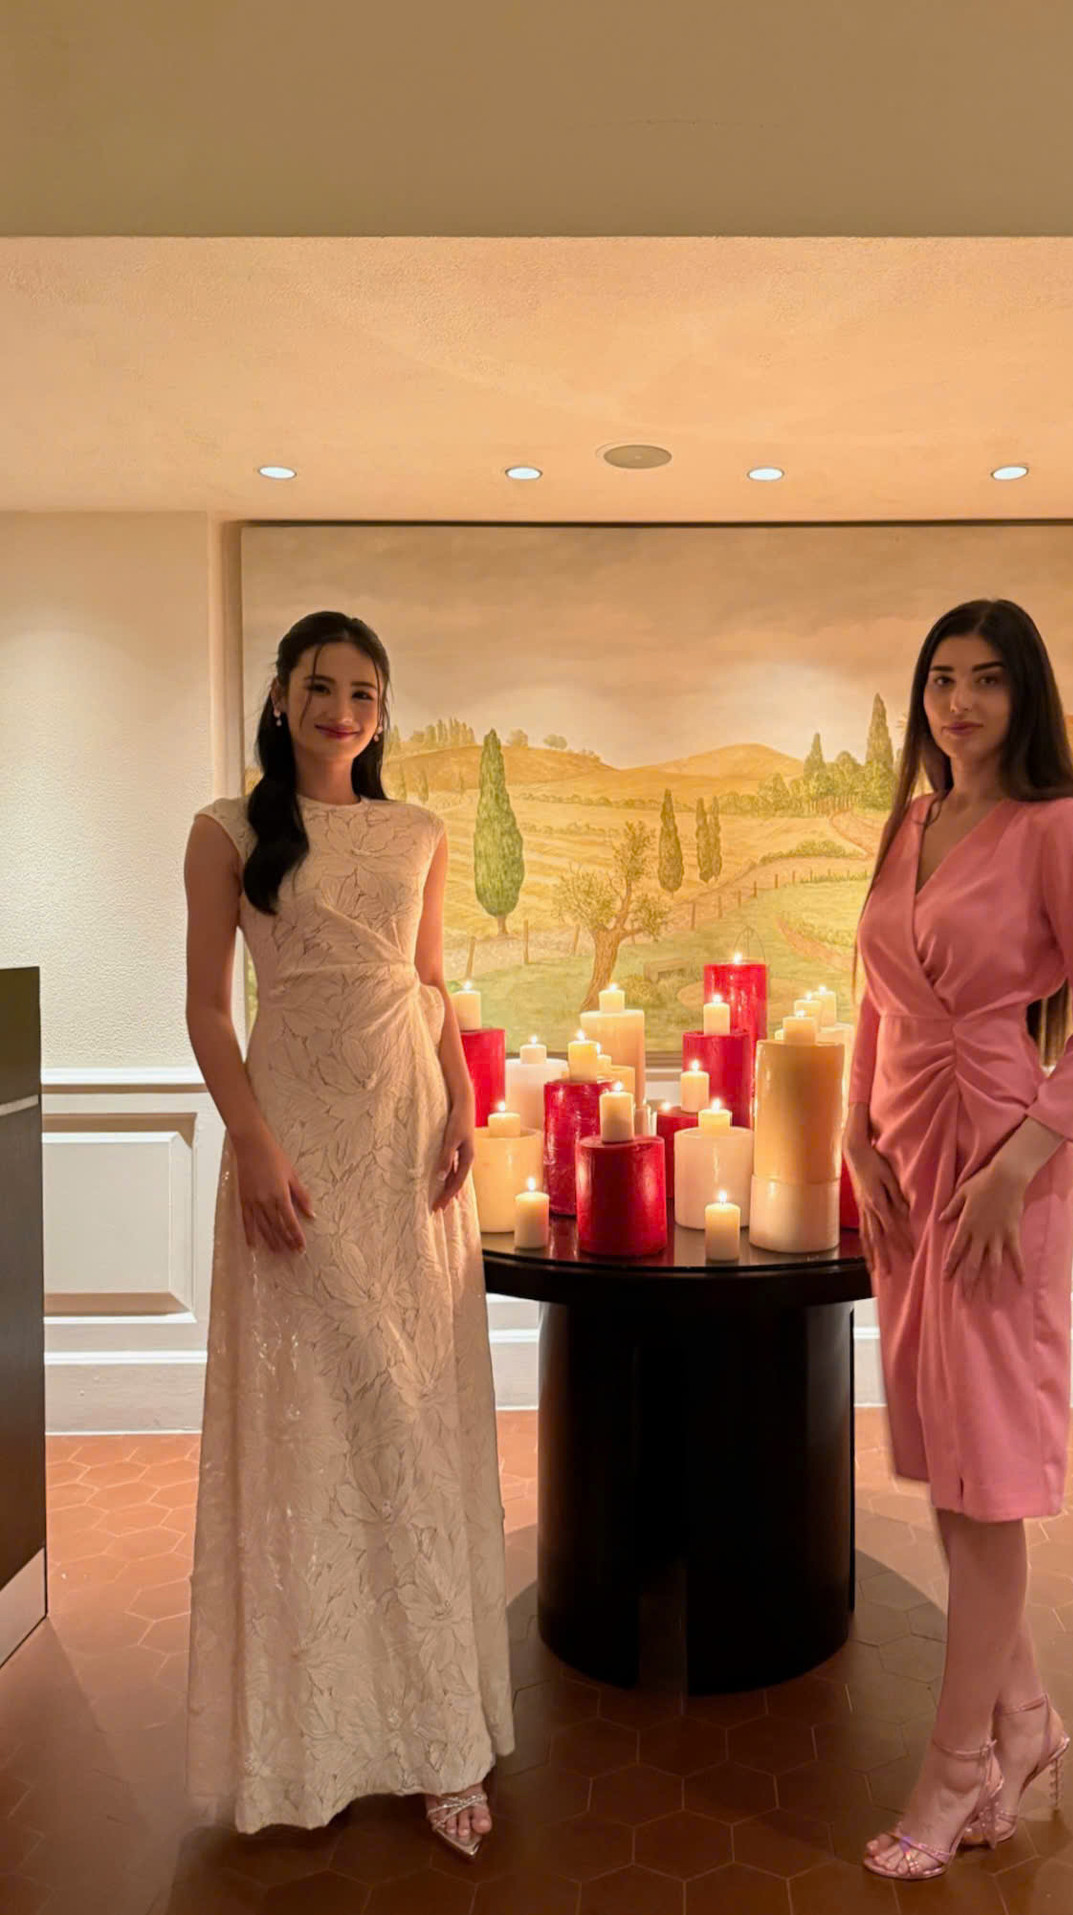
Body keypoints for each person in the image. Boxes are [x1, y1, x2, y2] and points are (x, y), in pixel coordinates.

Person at [182, 610, 513, 1854]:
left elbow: (429, 982)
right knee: (327, 1425)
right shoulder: (227, 831)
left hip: (406, 1145)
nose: (342, 710)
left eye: (364, 692)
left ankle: (441, 1740)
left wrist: (464, 1100)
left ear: (383, 711)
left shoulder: (416, 829)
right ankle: (314, 1738)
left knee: (413, 1419)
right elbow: (207, 1009)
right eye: (321, 687)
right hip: (299, 1151)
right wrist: (255, 1143)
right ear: (281, 695)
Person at [845, 598, 1073, 1882]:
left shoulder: (1059, 825)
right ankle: (1026, 1723)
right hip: (904, 1161)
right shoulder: (910, 821)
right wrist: (853, 1134)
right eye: (940, 680)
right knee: (947, 1465)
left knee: (988, 1480)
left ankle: (957, 1765)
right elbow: (872, 990)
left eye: (986, 680)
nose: (958, 704)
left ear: (1025, 696)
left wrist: (1021, 1167)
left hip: (997, 1163)